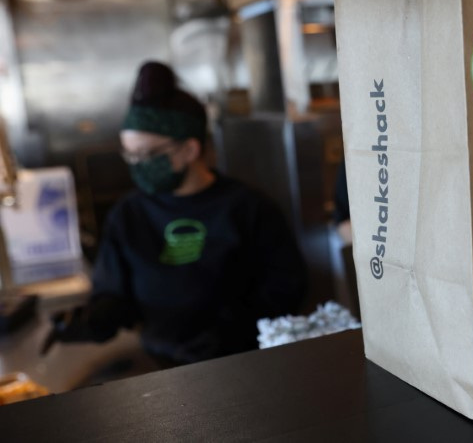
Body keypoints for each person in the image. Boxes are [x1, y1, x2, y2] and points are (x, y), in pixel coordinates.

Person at [45, 61, 307, 365]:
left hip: (244, 363)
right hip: (162, 367)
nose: (136, 164)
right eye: (129, 154)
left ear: (190, 150)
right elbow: (114, 291)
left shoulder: (247, 208)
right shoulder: (128, 215)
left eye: (146, 154)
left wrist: (232, 333)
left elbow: (288, 288)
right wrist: (95, 318)